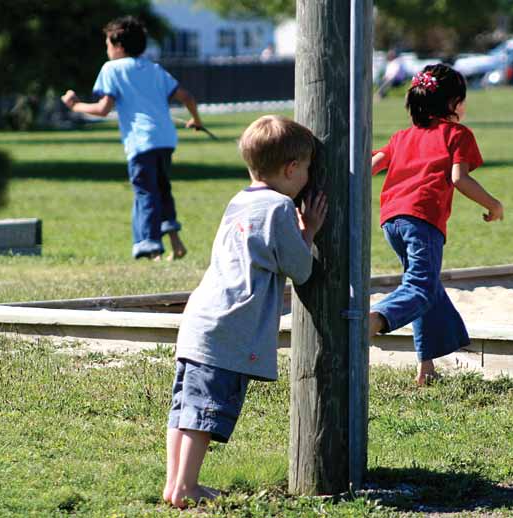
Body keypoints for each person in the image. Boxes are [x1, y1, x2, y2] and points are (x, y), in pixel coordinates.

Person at [163, 115, 328, 508]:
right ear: (291, 169)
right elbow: (300, 269)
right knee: (204, 410)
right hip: (229, 325)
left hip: (201, 318)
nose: (308, 177)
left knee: (185, 407)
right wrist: (309, 233)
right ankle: (186, 488)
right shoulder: (279, 209)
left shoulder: (240, 200)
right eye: (306, 169)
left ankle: (175, 484)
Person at [370, 64, 504, 386]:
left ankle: (425, 368)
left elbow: (370, 166)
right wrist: (493, 205)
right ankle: (370, 322)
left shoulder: (401, 137)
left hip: (391, 221)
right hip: (423, 220)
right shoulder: (458, 135)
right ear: (453, 103)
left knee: (426, 289)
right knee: (420, 287)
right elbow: (459, 178)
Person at [61, 16, 203, 260]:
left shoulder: (112, 69)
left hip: (140, 142)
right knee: (162, 189)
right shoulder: (154, 68)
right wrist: (196, 120)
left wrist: (75, 106)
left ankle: (151, 247)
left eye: (107, 44)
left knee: (145, 193)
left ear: (118, 46)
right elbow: (187, 96)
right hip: (165, 140)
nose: (106, 49)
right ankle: (176, 243)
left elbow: (103, 109)